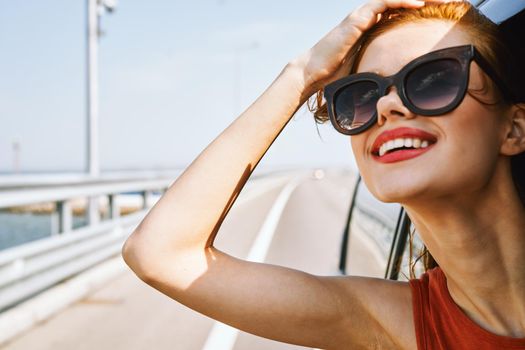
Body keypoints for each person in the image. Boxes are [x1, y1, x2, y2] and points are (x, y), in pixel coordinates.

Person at [122, 0, 525, 348]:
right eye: (361, 96)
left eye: (434, 79)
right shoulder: (394, 322)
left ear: (514, 128)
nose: (386, 106)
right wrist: (302, 75)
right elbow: (160, 254)